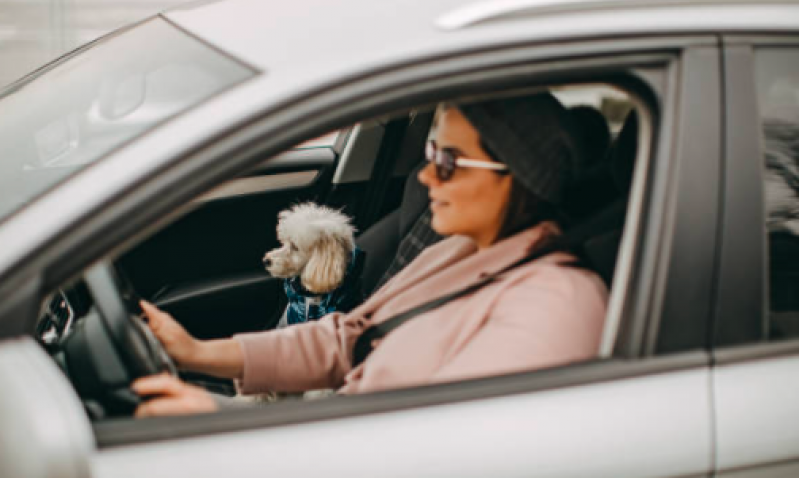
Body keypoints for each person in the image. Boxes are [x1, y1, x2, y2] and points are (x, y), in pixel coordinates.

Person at [132, 92, 609, 417]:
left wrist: (224, 423)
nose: (424, 177)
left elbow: (437, 452)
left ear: (520, 178)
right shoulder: (462, 249)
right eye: (429, 152)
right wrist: (197, 353)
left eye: (448, 162)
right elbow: (347, 339)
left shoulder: (556, 304)